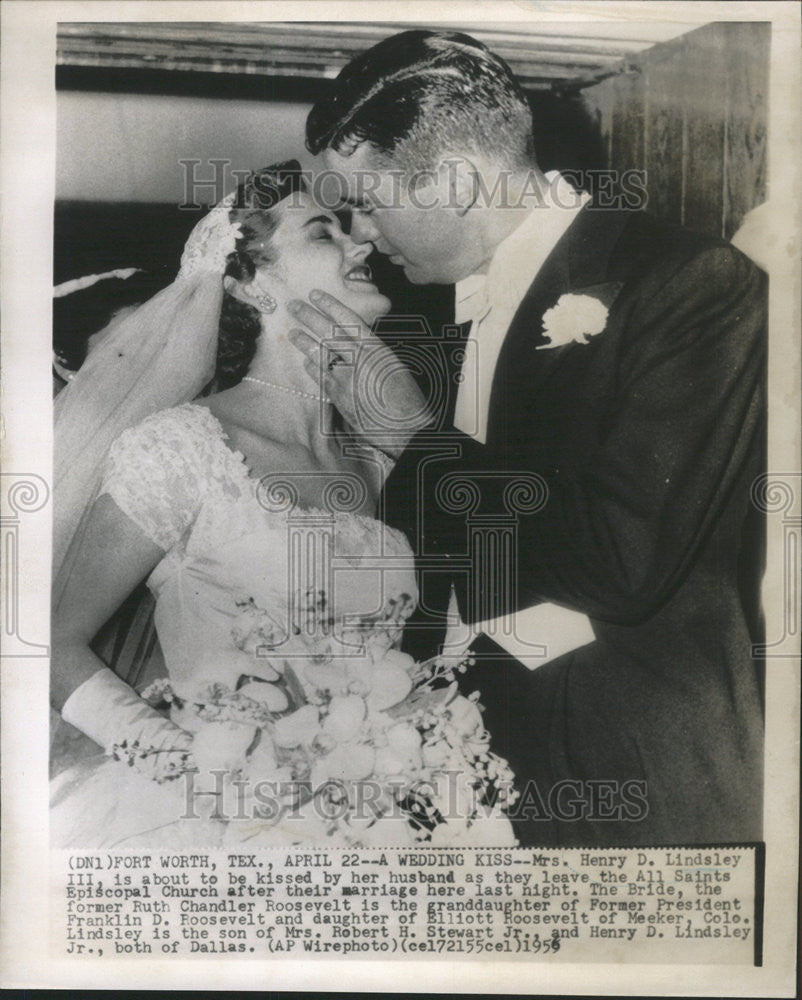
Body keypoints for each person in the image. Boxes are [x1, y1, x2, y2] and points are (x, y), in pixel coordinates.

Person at [290, 30, 767, 847]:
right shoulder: (426, 315)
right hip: (467, 769)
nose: (360, 233)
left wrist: (413, 438)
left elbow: (620, 564)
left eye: (367, 201)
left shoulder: (691, 285)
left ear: (458, 181)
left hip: (625, 784)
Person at [50, 162, 437, 847]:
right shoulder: (182, 447)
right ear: (247, 283)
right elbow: (53, 646)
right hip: (211, 825)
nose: (361, 245)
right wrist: (198, 774)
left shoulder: (385, 454)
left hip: (375, 820)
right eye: (325, 232)